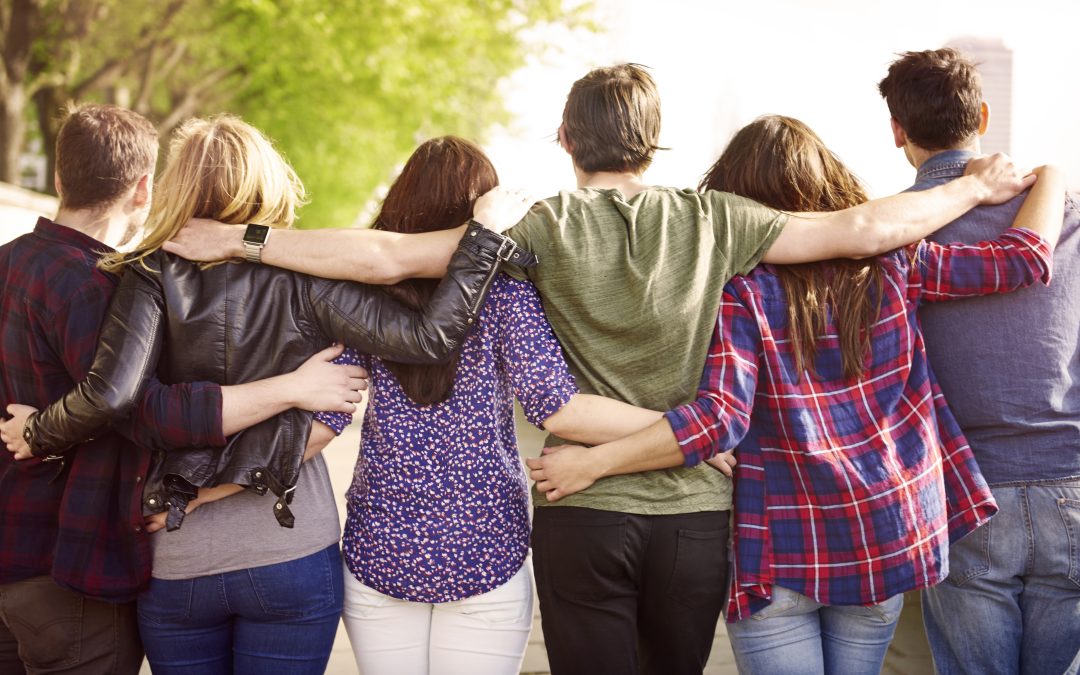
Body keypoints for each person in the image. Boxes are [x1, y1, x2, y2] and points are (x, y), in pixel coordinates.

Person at [161, 64, 1038, 675]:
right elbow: (863, 231)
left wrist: (246, 237)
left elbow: (388, 257)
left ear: (566, 139)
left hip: (582, 511)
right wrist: (972, 188)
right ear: (653, 143)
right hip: (698, 514)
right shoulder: (717, 219)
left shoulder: (543, 226)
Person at [525, 114, 1065, 674]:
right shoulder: (895, 263)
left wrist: (597, 462)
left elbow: (719, 421)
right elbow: (1024, 260)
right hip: (883, 533)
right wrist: (1050, 174)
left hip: (778, 542)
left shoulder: (740, 291)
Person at [6, 115, 535, 675]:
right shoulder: (306, 275)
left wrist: (42, 432)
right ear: (269, 180)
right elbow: (428, 337)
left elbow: (130, 405)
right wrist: (481, 239)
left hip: (178, 559)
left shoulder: (146, 274)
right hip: (290, 548)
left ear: (176, 182)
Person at [0, 104, 363, 675]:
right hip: (96, 559)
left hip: (110, 558)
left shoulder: (66, 269)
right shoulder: (105, 285)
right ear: (143, 188)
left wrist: (37, 427)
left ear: (58, 176)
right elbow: (146, 410)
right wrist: (293, 388)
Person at [311, 136, 663, 674]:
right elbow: (555, 404)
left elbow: (324, 418)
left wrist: (208, 484)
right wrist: (684, 430)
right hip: (487, 546)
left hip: (379, 545)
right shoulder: (504, 292)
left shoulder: (363, 293)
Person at [879, 48, 1080, 675]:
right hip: (1072, 481)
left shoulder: (886, 234)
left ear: (897, 131)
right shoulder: (1069, 215)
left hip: (963, 490)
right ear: (983, 115)